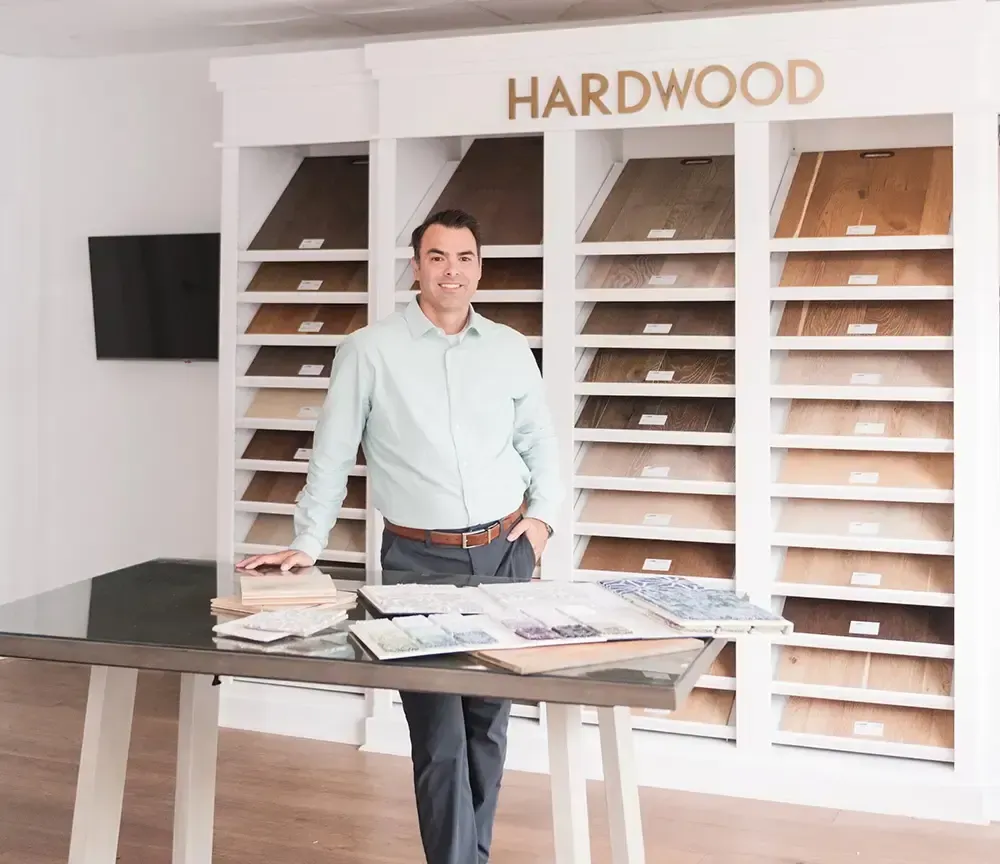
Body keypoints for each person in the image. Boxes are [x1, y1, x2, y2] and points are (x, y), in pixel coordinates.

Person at [237, 207, 563, 864]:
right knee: (437, 733)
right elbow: (331, 454)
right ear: (415, 267)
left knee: (486, 727)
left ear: (479, 267)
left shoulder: (508, 348)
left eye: (464, 258)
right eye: (437, 257)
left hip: (505, 555)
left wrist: (543, 520)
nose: (452, 271)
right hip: (418, 560)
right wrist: (308, 543)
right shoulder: (368, 350)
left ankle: (471, 857)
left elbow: (539, 442)